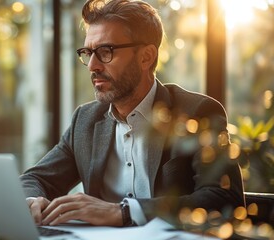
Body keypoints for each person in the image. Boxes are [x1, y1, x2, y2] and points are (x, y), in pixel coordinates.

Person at [20, 0, 245, 228]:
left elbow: (225, 199)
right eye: (88, 53)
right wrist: (32, 202)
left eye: (105, 51)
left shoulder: (197, 113)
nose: (92, 66)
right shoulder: (85, 120)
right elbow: (35, 179)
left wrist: (125, 212)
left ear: (146, 57)